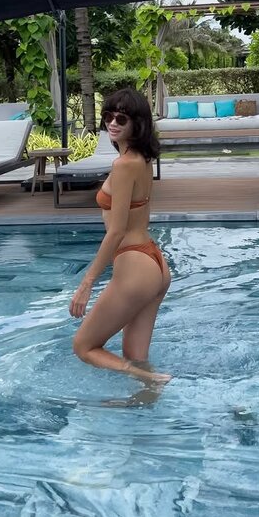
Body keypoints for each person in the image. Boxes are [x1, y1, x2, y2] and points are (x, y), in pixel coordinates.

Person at [70, 88, 171, 386]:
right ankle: (145, 397)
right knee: (135, 355)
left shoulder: (124, 165)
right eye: (108, 116)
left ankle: (149, 379)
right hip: (154, 264)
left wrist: (87, 283)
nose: (112, 123)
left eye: (121, 119)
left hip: (135, 266)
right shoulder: (141, 159)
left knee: (84, 346)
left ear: (137, 123)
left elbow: (116, 231)